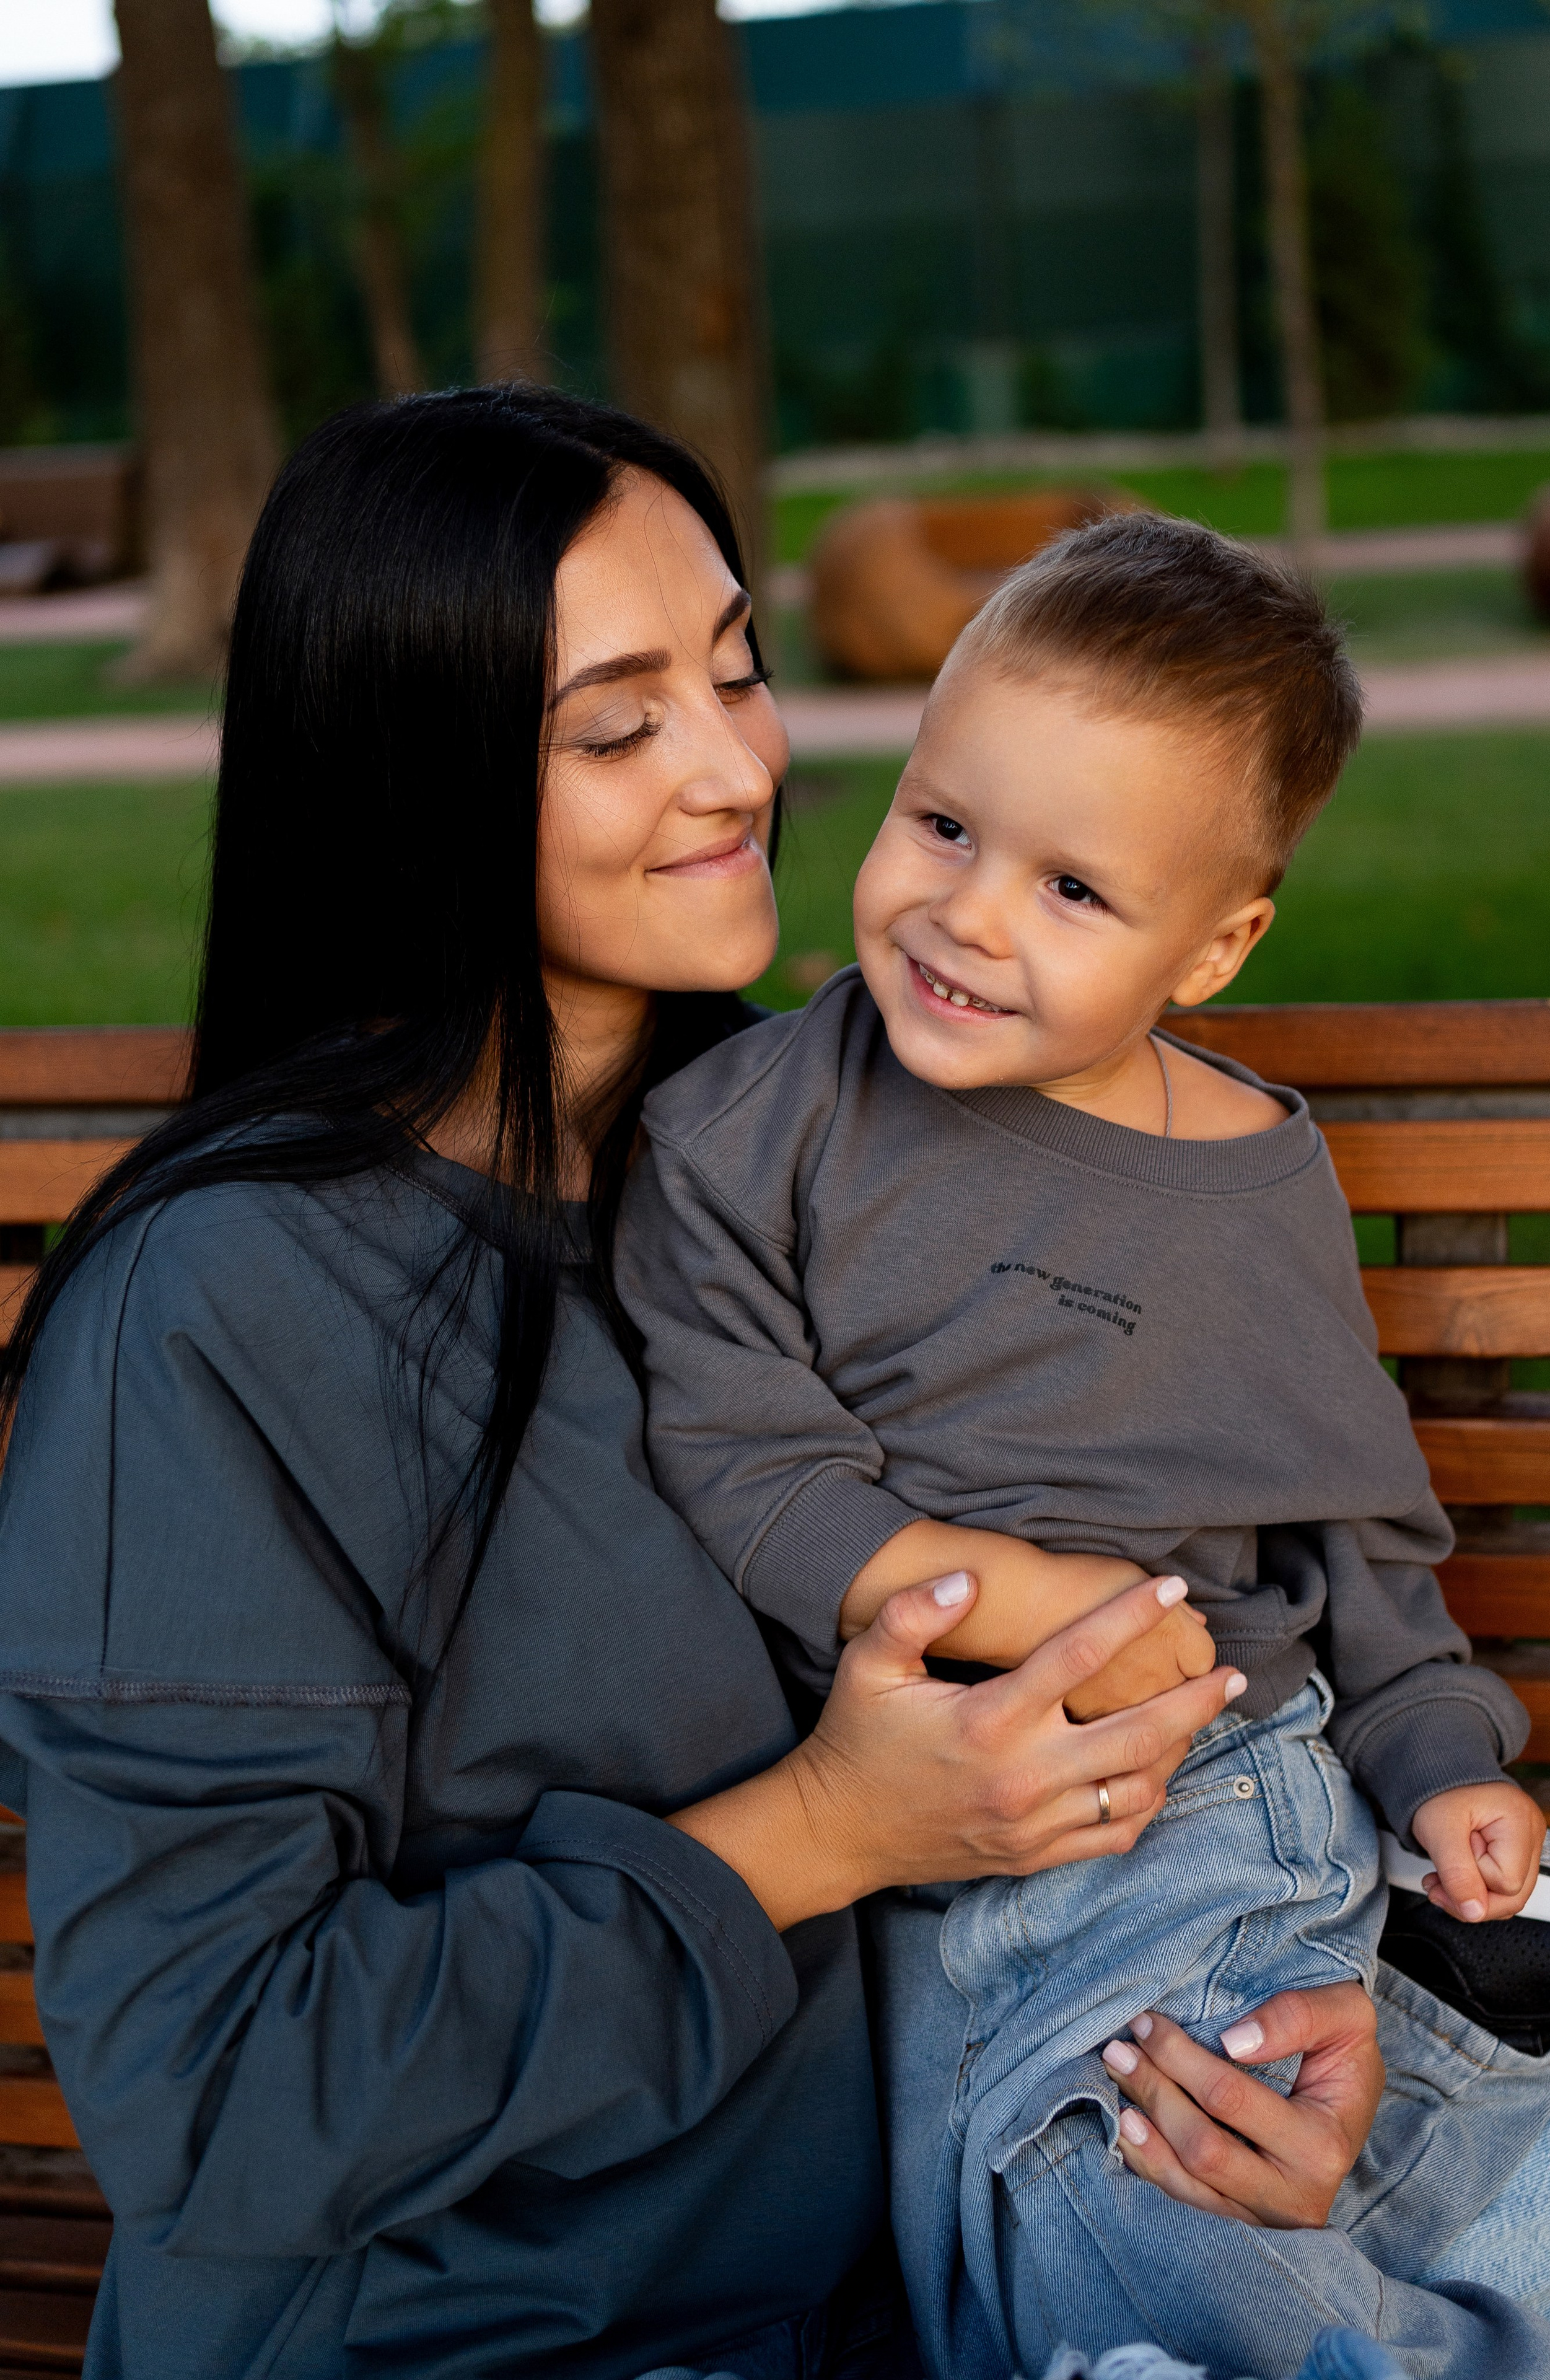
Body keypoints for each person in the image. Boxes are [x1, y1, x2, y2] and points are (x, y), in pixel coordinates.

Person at [0, 386, 1266, 2380]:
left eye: (739, 670)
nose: (737, 765)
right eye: (617, 724)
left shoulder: (830, 1167)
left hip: (912, 2305)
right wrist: (816, 1830)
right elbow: (217, 2084)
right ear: (408, 778)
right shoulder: (220, 1309)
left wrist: (1267, 2028)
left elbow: (1122, 1690)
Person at [617, 514, 1550, 2378]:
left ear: (1215, 945)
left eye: (1075, 891)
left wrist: (1435, 1745)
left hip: (1203, 1796)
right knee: (996, 2263)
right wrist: (1037, 1603)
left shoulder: (1246, 1178)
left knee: (1141, 2203)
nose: (968, 913)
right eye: (944, 824)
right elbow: (750, 1459)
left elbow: (1354, 1534)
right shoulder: (748, 1133)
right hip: (917, 1832)